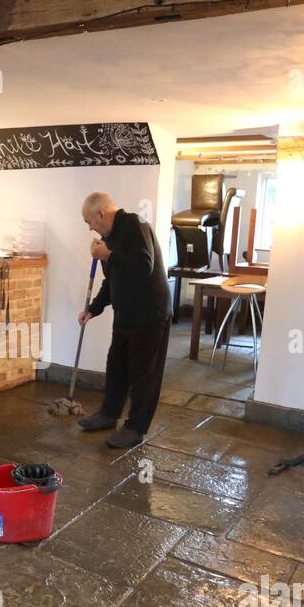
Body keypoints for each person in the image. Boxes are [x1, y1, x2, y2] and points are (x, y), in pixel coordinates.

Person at [76, 192, 172, 448]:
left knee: (144, 372)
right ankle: (108, 414)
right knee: (117, 364)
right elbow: (113, 280)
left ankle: (135, 428)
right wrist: (93, 309)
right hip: (126, 313)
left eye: (89, 221)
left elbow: (143, 268)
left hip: (150, 312)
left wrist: (108, 255)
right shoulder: (111, 237)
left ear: (101, 214)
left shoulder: (135, 226)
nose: (90, 227)